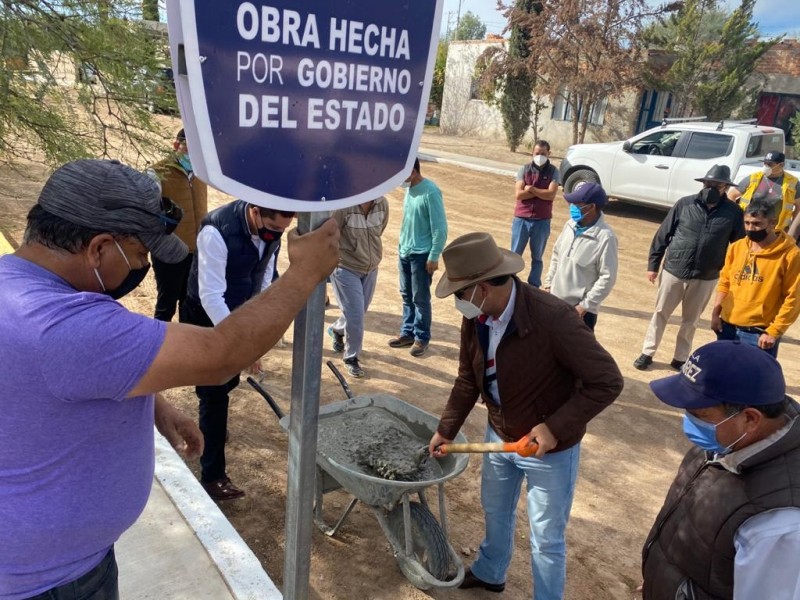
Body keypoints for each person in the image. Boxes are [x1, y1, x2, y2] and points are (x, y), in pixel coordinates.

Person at [0, 159, 338, 600]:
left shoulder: (15, 287)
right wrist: (305, 274)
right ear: (99, 248)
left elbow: (48, 381)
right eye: (141, 254)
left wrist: (154, 405)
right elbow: (220, 355)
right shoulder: (63, 325)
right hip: (51, 582)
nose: (143, 265)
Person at [428, 232, 623, 599]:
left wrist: (554, 428)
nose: (458, 302)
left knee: (546, 537)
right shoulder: (477, 317)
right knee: (495, 511)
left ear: (481, 288)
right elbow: (468, 378)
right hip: (499, 435)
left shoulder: (553, 318)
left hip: (549, 451)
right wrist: (447, 428)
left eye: (459, 293)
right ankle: (490, 572)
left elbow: (607, 381)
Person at [642, 340, 800, 600]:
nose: (688, 420)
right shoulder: (726, 443)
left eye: (699, 413)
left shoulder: (779, 521)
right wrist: (663, 578)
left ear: (750, 418)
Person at [180, 200, 295, 501]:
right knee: (214, 395)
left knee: (227, 383)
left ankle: (213, 431)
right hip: (207, 320)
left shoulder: (272, 231)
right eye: (273, 227)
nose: (277, 234)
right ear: (255, 210)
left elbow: (265, 281)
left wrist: (255, 332)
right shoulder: (216, 232)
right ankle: (213, 476)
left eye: (283, 229)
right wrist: (242, 344)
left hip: (238, 315)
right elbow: (211, 296)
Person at [633, 165, 744, 371]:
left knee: (691, 320)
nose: (711, 188)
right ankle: (647, 352)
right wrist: (653, 265)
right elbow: (663, 234)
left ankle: (680, 357)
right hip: (674, 270)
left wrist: (734, 275)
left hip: (706, 275)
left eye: (717, 185)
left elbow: (739, 246)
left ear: (726, 187)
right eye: (708, 183)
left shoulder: (734, 212)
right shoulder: (685, 204)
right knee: (661, 313)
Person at [710, 199, 800, 358]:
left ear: (772, 223)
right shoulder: (737, 247)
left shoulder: (790, 255)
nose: (751, 228)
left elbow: (793, 298)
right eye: (747, 223)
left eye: (757, 224)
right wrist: (716, 314)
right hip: (727, 327)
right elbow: (725, 283)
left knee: (752, 374)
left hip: (759, 334)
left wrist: (774, 331)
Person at [388, 158, 447, 358]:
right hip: (405, 252)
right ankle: (407, 333)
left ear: (412, 171)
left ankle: (421, 337)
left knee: (420, 298)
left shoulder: (431, 192)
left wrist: (434, 256)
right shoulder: (409, 190)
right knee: (406, 295)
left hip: (421, 256)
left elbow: (440, 229)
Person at [147, 128, 208, 322]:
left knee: (189, 303)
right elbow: (149, 213)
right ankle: (157, 338)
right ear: (176, 145)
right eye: (188, 148)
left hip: (196, 251)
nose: (193, 154)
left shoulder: (202, 173)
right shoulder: (157, 173)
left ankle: (184, 341)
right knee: (166, 304)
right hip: (169, 251)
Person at [327, 196, 389, 378]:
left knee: (359, 311)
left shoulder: (382, 204)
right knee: (355, 315)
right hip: (345, 268)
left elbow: (380, 230)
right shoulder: (343, 206)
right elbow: (330, 235)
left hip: (371, 268)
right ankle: (351, 357)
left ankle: (338, 330)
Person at [543, 182, 618, 330]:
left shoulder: (605, 238)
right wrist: (548, 283)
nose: (572, 207)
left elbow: (607, 277)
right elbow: (556, 254)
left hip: (579, 312)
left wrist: (584, 306)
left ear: (592, 207)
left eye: (578, 204)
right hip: (554, 302)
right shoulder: (570, 225)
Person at [511, 140, 560, 288]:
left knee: (537, 257)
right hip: (521, 219)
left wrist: (531, 189)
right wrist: (541, 192)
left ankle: (534, 286)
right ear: (532, 153)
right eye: (537, 153)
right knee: (514, 255)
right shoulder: (524, 170)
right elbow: (519, 194)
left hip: (542, 220)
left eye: (543, 154)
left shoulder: (553, 172)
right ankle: (510, 283)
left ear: (549, 154)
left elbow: (551, 195)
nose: (540, 156)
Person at [727, 151, 800, 239]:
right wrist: (736, 218)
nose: (766, 166)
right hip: (749, 229)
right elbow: (731, 195)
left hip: (776, 232)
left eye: (770, 164)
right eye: (765, 163)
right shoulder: (754, 178)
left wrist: (793, 229)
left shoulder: (792, 182)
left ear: (781, 165)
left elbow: (798, 206)